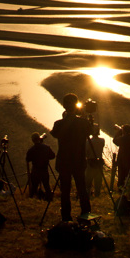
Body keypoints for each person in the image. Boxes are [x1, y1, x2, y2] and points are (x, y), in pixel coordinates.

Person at [50, 92, 92, 221]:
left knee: (65, 191)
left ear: (64, 106)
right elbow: (90, 132)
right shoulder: (83, 123)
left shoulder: (58, 124)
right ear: (76, 106)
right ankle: (86, 214)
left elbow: (54, 134)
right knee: (82, 189)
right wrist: (84, 117)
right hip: (79, 160)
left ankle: (66, 217)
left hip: (64, 161)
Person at [25, 132, 55, 199]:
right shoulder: (46, 147)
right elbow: (53, 156)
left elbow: (27, 159)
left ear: (33, 140)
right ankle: (49, 198)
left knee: (34, 186)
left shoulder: (31, 150)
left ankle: (31, 198)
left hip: (35, 170)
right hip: (44, 169)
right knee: (46, 185)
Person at [113, 124, 130, 190]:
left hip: (122, 161)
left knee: (121, 177)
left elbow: (115, 140)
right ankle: (128, 190)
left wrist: (119, 132)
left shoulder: (122, 139)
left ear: (124, 131)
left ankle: (120, 190)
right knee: (129, 177)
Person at [85, 130, 105, 197]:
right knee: (98, 179)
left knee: (88, 179)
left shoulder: (88, 142)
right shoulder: (102, 141)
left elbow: (86, 152)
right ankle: (97, 194)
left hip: (90, 161)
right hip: (99, 162)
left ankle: (87, 193)